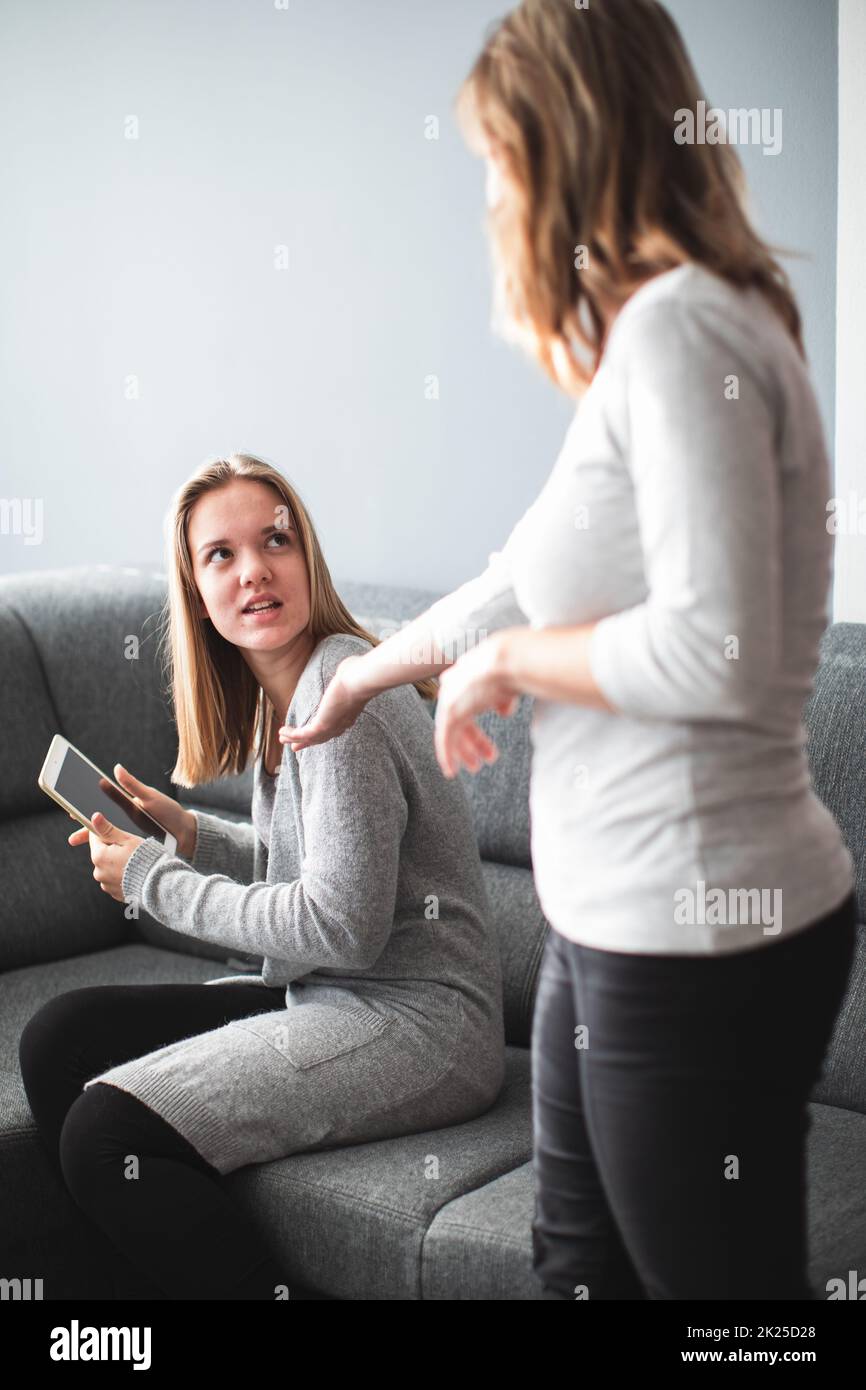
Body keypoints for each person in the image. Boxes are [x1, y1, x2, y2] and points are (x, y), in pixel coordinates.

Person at [276, 0, 857, 1300]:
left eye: (499, 158)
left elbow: (713, 649)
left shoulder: (680, 334)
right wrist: (369, 670)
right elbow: (521, 578)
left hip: (694, 931)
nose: (490, 193)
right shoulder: (680, 328)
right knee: (576, 1266)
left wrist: (511, 666)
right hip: (615, 922)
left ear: (564, 144)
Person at [18, 454, 505, 1300]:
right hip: (340, 995)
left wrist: (149, 880)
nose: (254, 571)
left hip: (421, 1026)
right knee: (62, 1037)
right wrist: (193, 836)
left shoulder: (339, 700)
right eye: (221, 555)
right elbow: (324, 868)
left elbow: (339, 928)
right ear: (195, 589)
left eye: (275, 539)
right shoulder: (303, 693)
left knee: (107, 1132)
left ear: (305, 556)